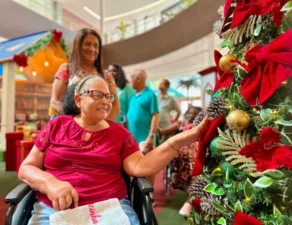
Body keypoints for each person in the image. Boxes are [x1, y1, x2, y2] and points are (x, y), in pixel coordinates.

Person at [18, 75, 208, 225]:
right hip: (55, 207)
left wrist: (177, 142)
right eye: (97, 95)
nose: (106, 101)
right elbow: (26, 168)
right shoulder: (57, 125)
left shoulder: (119, 133)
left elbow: (141, 165)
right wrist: (50, 184)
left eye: (109, 96)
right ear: (78, 99)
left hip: (108, 208)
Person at [49, 28, 120, 120]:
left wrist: (101, 126)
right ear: (78, 46)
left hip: (98, 130)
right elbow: (55, 102)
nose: (92, 49)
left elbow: (115, 107)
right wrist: (78, 124)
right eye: (87, 44)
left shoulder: (107, 76)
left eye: (96, 46)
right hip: (71, 128)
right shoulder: (66, 69)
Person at [159, 106, 202, 218]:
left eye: (194, 113)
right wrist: (158, 129)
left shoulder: (199, 126)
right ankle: (191, 198)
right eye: (189, 113)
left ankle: (190, 200)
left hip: (195, 150)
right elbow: (166, 131)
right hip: (180, 151)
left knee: (196, 164)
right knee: (191, 161)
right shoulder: (180, 123)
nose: (190, 115)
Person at [127, 69, 159, 190]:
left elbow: (155, 116)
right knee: (135, 165)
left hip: (145, 138)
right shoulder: (134, 96)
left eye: (132, 78)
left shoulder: (150, 95)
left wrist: (151, 135)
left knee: (149, 166)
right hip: (133, 138)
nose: (130, 81)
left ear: (139, 79)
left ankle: (149, 195)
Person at [157, 79, 181, 143]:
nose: (160, 85)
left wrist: (174, 122)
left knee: (165, 145)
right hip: (156, 127)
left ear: (167, 87)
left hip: (166, 127)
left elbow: (179, 111)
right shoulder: (155, 98)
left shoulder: (170, 99)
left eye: (162, 84)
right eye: (160, 83)